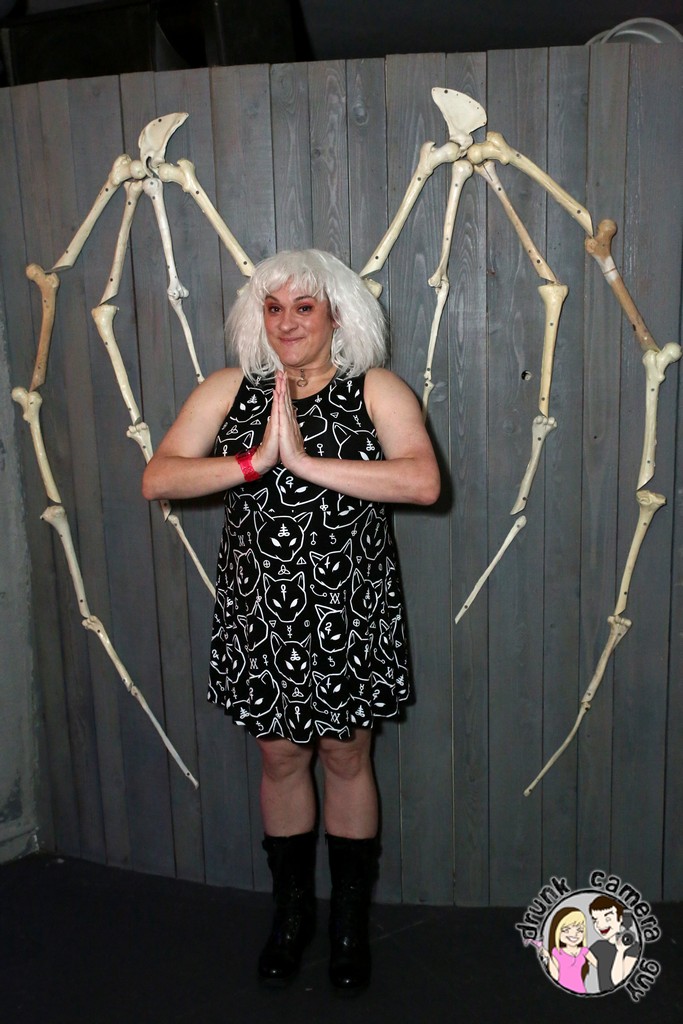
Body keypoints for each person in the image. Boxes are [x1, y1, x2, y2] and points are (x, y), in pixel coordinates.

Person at [142, 249, 440, 989]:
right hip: (261, 615)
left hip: (350, 610)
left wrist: (302, 463)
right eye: (273, 308)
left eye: (303, 307)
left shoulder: (375, 388)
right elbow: (160, 476)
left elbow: (421, 481)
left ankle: (348, 924)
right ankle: (292, 915)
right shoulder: (229, 388)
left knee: (345, 755)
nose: (286, 322)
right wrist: (255, 463)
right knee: (279, 758)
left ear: (337, 313)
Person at [588, 895, 641, 991]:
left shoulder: (633, 947)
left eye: (608, 919)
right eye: (595, 920)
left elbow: (618, 981)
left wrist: (620, 951)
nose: (600, 925)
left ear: (620, 919)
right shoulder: (598, 946)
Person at [543, 906, 597, 994]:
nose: (574, 934)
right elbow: (555, 976)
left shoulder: (584, 951)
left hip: (580, 991)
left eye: (579, 930)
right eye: (566, 930)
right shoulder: (557, 952)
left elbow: (600, 966)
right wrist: (548, 957)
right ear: (557, 931)